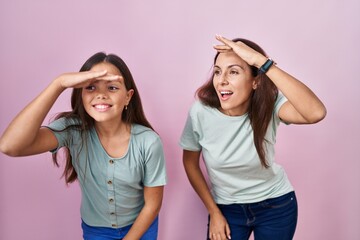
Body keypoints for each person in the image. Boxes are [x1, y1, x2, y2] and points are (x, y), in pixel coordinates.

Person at [0, 52, 167, 240]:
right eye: (91, 87)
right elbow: (10, 146)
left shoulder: (149, 142)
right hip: (96, 231)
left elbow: (153, 204)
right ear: (81, 93)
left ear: (128, 97)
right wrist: (59, 83)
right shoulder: (72, 131)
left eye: (112, 88)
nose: (101, 95)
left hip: (142, 227)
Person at [180, 35, 326, 240]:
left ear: (255, 81)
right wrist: (213, 211)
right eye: (217, 72)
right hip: (226, 208)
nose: (221, 81)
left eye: (233, 72)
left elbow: (316, 113)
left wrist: (263, 63)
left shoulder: (270, 104)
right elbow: (190, 163)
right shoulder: (200, 112)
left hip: (276, 206)